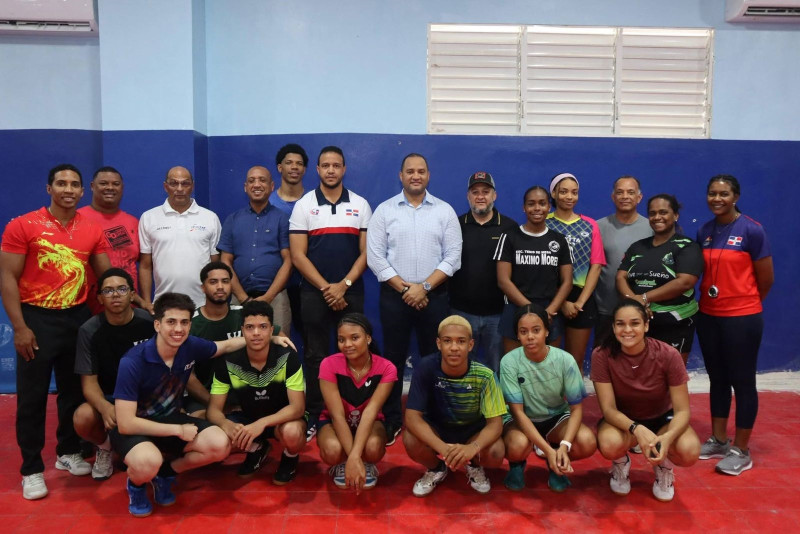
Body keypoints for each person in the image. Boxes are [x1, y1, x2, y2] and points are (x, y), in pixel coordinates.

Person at [111, 292, 277, 517]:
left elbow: (224, 346)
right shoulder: (132, 361)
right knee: (147, 461)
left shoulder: (188, 345)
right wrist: (178, 430)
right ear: (158, 324)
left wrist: (271, 338)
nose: (178, 329)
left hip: (170, 418)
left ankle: (166, 474)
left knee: (220, 444)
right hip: (138, 427)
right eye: (171, 322)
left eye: (184, 322)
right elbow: (126, 424)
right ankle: (137, 485)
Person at [0, 163, 111, 500]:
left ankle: (67, 452)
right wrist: (19, 327)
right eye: (61, 183)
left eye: (74, 184)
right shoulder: (23, 225)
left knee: (73, 391)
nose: (68, 189)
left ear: (82, 191)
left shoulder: (92, 229)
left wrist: (132, 300)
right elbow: (7, 277)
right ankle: (31, 469)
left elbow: (108, 278)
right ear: (49, 188)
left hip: (77, 318)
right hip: (36, 318)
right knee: (32, 398)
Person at [367, 153, 462, 443]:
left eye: (421, 171)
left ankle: (432, 416)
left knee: (436, 358)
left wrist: (425, 288)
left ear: (428, 175)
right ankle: (393, 418)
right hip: (396, 297)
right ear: (401, 175)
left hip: (435, 296)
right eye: (410, 171)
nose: (415, 176)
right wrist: (407, 289)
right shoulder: (384, 211)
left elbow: (453, 256)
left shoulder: (444, 211)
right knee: (392, 360)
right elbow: (375, 257)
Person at [289, 146, 372, 440]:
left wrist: (343, 286)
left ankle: (354, 411)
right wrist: (327, 288)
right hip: (314, 294)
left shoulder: (361, 204)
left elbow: (367, 253)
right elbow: (298, 256)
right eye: (325, 165)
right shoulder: (304, 206)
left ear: (344, 169)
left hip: (351, 292)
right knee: (316, 355)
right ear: (318, 170)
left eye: (336, 165)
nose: (331, 170)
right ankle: (315, 412)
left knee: (354, 353)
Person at [696, 175, 773, 476]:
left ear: (736, 196)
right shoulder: (704, 230)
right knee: (718, 378)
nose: (717, 199)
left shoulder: (752, 230)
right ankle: (718, 439)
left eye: (724, 194)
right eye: (712, 193)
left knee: (742, 381)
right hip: (709, 315)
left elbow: (765, 279)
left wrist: (743, 303)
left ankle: (741, 449)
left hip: (742, 317)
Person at [591, 299, 700, 502]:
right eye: (620, 324)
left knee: (689, 450)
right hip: (624, 421)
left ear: (646, 325)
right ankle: (621, 463)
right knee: (609, 444)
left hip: (662, 420)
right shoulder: (601, 355)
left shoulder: (669, 355)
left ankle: (663, 465)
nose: (627, 330)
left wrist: (667, 439)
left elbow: (683, 411)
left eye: (635, 323)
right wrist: (636, 429)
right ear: (613, 327)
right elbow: (608, 409)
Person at [403, 315, 507, 497]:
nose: (453, 348)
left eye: (461, 341)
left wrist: (472, 448)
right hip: (438, 430)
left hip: (471, 432)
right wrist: (444, 449)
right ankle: (437, 468)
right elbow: (412, 417)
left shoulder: (485, 375)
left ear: (471, 345)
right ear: (438, 344)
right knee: (411, 440)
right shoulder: (426, 367)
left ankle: (473, 465)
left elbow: (495, 424)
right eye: (447, 341)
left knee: (496, 451)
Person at [206, 300, 306, 484]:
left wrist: (262, 423)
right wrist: (226, 424)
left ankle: (290, 456)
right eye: (250, 327)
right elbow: (213, 410)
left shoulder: (287, 356)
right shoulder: (227, 361)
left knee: (293, 432)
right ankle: (256, 448)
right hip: (247, 419)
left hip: (281, 420)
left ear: (271, 330)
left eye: (263, 327)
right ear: (242, 330)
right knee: (217, 433)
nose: (256, 333)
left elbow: (298, 408)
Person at [500, 304, 596, 492]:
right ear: (517, 336)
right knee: (518, 445)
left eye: (536, 330)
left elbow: (576, 408)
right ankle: (517, 465)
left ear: (546, 331)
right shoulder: (509, 362)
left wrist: (564, 445)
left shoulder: (565, 360)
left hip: (555, 419)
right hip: (521, 421)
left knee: (587, 441)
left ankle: (556, 461)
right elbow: (518, 413)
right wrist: (548, 450)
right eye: (523, 331)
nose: (530, 336)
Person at [73, 268, 155, 481]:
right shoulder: (89, 330)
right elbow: (89, 383)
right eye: (108, 291)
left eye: (121, 289)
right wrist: (105, 406)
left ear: (131, 294)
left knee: (157, 458)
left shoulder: (149, 323)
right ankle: (104, 447)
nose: (115, 294)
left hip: (147, 396)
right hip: (111, 397)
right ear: (100, 297)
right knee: (83, 417)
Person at [617, 194, 703, 365]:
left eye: (663, 212)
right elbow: (621, 276)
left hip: (674, 322)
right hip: (639, 320)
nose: (657, 217)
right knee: (638, 373)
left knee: (670, 376)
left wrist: (643, 298)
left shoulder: (687, 246)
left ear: (675, 215)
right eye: (652, 213)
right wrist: (635, 304)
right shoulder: (637, 246)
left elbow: (685, 281)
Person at [317, 313, 397, 492]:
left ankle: (363, 461)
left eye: (355, 338)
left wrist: (354, 457)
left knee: (374, 448)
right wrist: (353, 458)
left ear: (368, 338)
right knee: (331, 451)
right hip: (335, 422)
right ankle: (343, 461)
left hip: (370, 422)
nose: (347, 345)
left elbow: (371, 411)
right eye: (341, 339)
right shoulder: (328, 364)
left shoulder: (387, 368)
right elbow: (337, 416)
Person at [449, 171, 517, 373]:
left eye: (485, 192)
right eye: (475, 192)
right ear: (468, 196)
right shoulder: (455, 225)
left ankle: (492, 405)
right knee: (460, 366)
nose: (480, 196)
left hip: (497, 314)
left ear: (494, 195)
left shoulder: (509, 227)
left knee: (495, 369)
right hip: (460, 311)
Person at [495, 186, 573, 354]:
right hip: (516, 308)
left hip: (551, 311)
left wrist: (549, 311)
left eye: (542, 203)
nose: (537, 208)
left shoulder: (560, 240)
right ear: (524, 208)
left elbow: (567, 282)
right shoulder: (509, 237)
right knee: (513, 368)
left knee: (550, 369)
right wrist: (533, 311)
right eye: (531, 204)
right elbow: (503, 280)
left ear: (549, 207)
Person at [218, 165, 292, 333]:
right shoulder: (233, 220)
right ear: (246, 187)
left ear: (272, 186)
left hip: (276, 298)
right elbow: (225, 261)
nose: (256, 184)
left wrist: (267, 297)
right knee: (237, 348)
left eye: (262, 180)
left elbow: (289, 260)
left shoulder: (282, 219)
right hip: (239, 297)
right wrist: (244, 299)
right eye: (251, 181)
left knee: (280, 349)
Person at [138, 166, 222, 311]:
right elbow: (145, 266)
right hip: (163, 304)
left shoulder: (210, 218)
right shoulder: (149, 218)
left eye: (185, 183)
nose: (179, 188)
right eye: (173, 183)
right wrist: (146, 302)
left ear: (192, 186)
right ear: (165, 186)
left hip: (203, 304)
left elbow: (214, 265)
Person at [546, 173, 606, 373]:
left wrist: (579, 303)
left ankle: (574, 405)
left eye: (574, 192)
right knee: (549, 362)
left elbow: (596, 266)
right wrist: (561, 302)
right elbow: (540, 268)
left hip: (581, 298)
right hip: (551, 297)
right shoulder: (544, 223)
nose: (569, 197)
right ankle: (551, 402)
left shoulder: (590, 225)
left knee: (575, 362)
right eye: (563, 192)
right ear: (553, 194)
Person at [595, 176, 652, 346]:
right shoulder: (598, 227)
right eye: (620, 192)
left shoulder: (652, 228)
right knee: (603, 359)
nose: (625, 196)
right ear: (613, 197)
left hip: (641, 310)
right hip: (605, 309)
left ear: (639, 197)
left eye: (630, 192)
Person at [78, 166, 143, 314]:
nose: (110, 188)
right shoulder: (77, 219)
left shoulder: (133, 222)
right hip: (88, 309)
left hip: (129, 309)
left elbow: (144, 264)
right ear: (92, 186)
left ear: (122, 187)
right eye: (103, 183)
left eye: (115, 184)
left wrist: (142, 301)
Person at [185, 261, 244, 415]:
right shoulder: (190, 324)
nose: (220, 286)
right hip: (204, 397)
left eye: (225, 281)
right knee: (203, 425)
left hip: (243, 396)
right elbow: (188, 378)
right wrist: (217, 405)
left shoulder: (244, 315)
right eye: (213, 282)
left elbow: (276, 334)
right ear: (203, 288)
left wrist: (275, 338)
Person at [270, 143, 310, 338]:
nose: (294, 167)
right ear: (280, 168)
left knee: (310, 337)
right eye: (289, 163)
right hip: (276, 285)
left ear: (305, 169)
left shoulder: (313, 202)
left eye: (299, 164)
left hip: (307, 283)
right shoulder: (267, 203)